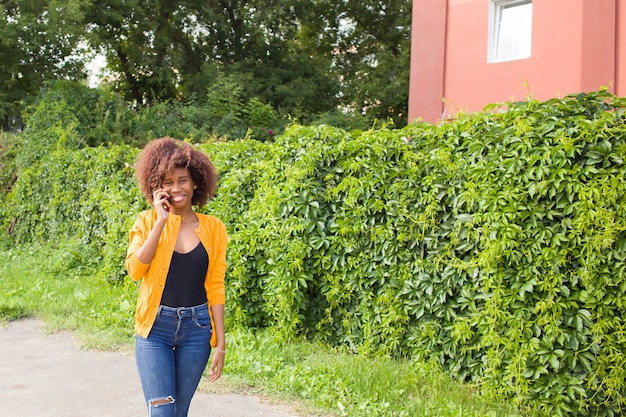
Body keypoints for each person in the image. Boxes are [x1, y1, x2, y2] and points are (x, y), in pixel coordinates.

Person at [126, 137, 228, 417]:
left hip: (197, 329)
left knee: (178, 412)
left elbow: (216, 287)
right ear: (157, 188)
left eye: (182, 180)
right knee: (162, 414)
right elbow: (135, 270)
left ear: (196, 183)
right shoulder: (146, 221)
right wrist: (161, 221)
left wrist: (220, 343)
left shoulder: (214, 228)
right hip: (154, 329)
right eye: (167, 182)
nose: (175, 188)